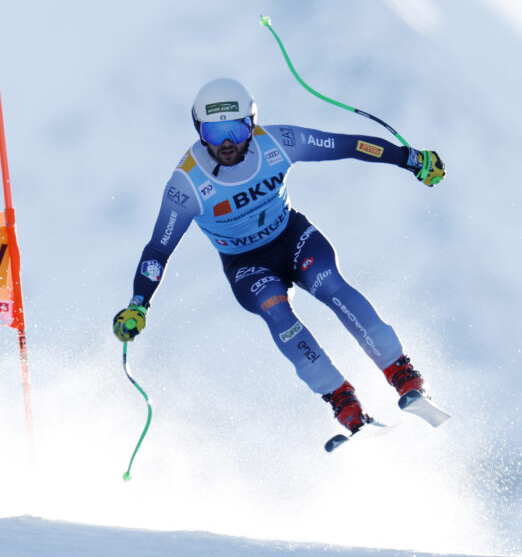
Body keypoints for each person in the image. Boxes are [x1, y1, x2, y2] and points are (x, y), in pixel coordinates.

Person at [113, 78, 445, 434]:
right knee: (276, 310)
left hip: (292, 237)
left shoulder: (278, 142)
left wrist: (410, 159)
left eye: (237, 131)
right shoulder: (187, 184)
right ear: (199, 131)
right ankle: (341, 398)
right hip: (247, 265)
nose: (226, 144)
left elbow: (349, 145)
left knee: (329, 283)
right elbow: (159, 249)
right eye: (214, 132)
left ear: (252, 124)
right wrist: (138, 304)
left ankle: (401, 371)